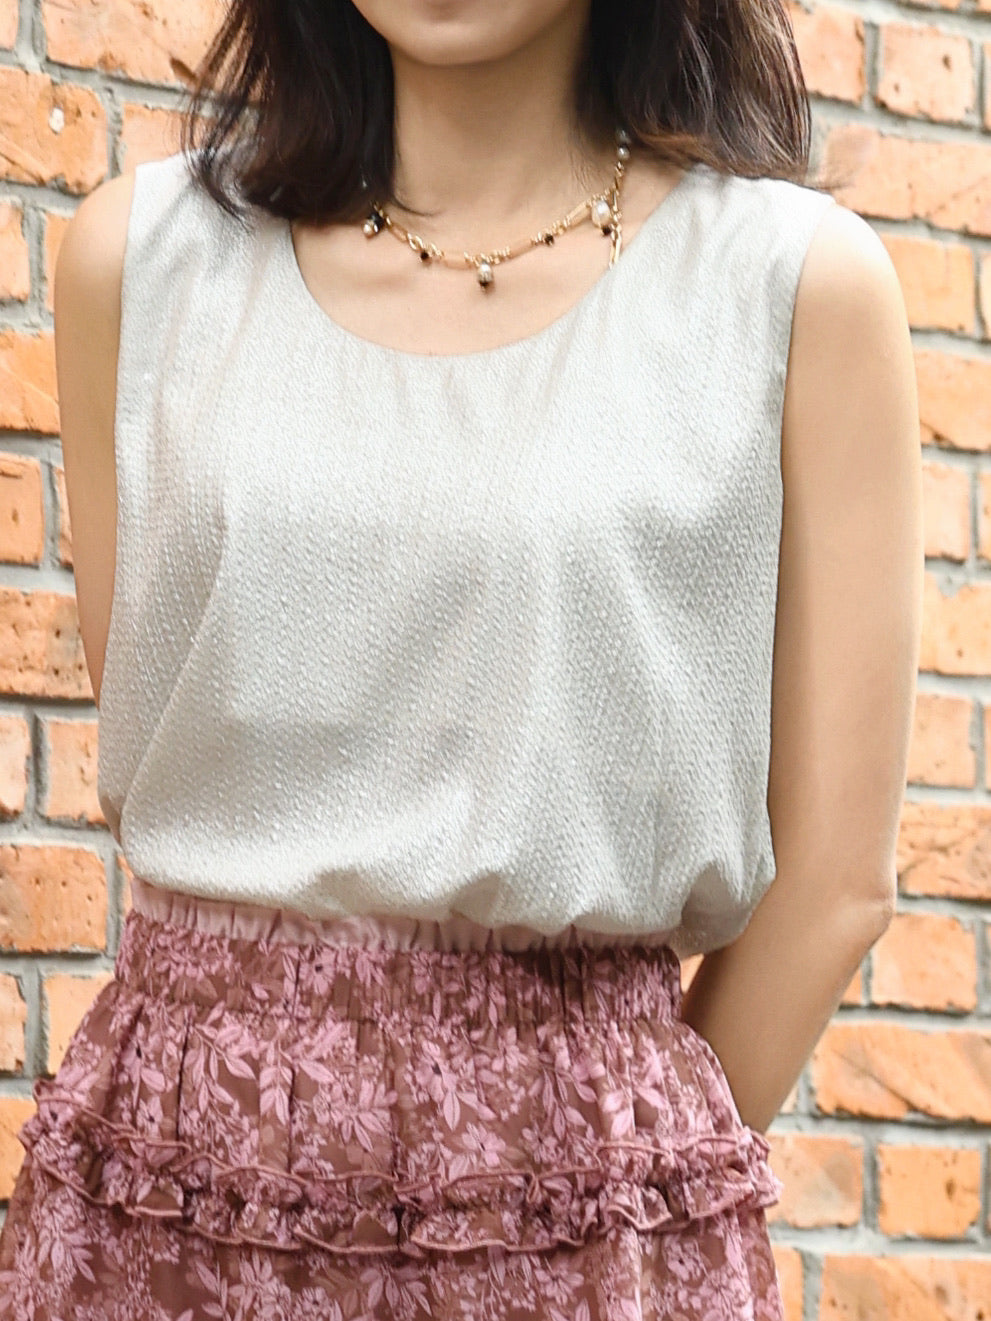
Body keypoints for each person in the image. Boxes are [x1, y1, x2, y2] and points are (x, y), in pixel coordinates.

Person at [0, 0, 921, 1317]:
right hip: (166, 1206)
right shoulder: (140, 263)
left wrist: (628, 1169)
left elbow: (836, 878)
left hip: (582, 1218)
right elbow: (183, 741)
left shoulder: (790, 286)